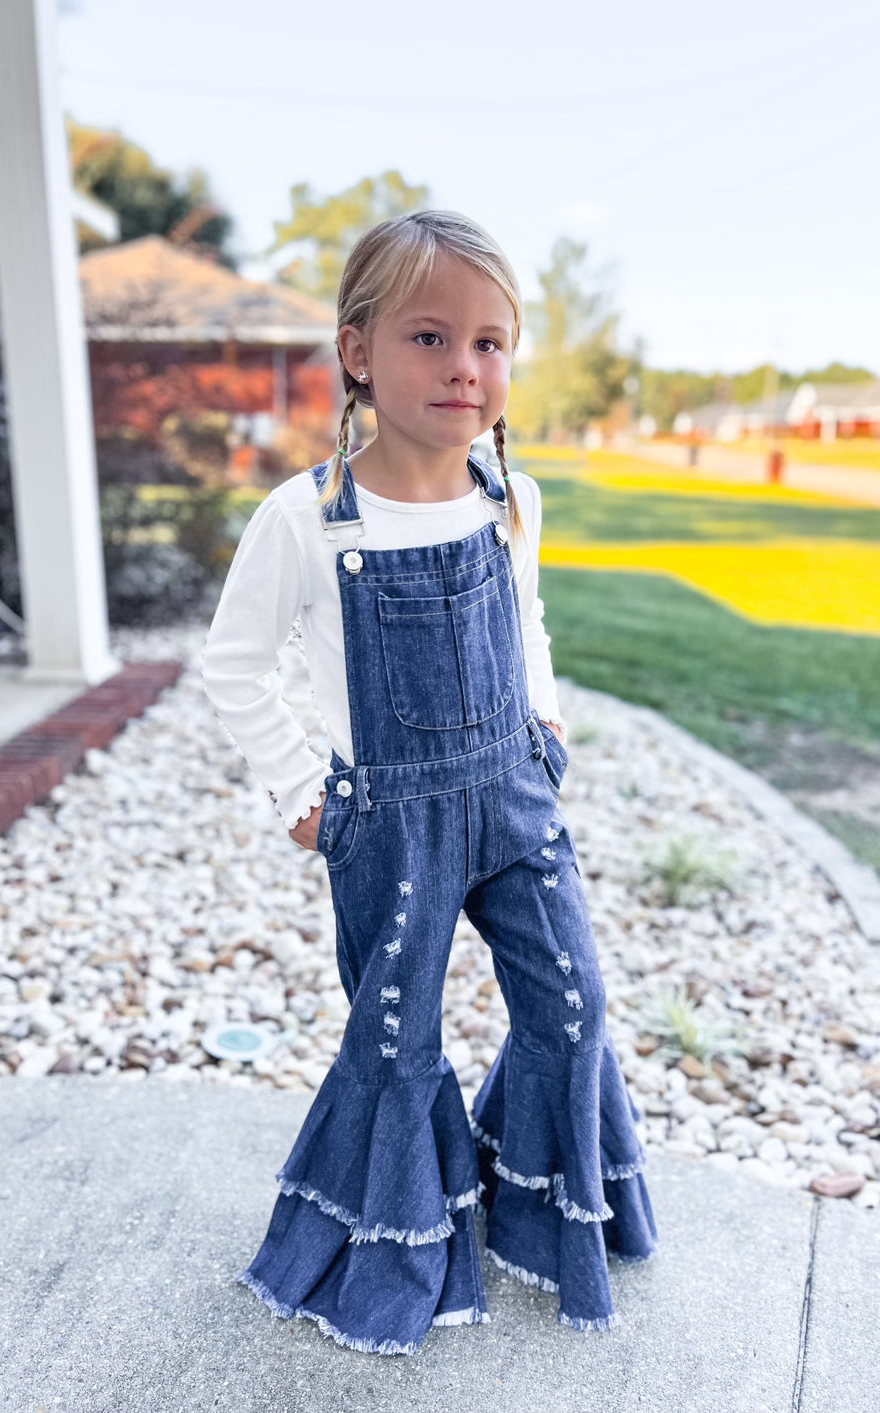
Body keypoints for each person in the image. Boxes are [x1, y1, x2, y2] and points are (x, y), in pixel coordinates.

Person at [200, 210, 658, 1357]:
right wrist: (302, 791)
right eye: (429, 337)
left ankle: (532, 1203)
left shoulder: (514, 499)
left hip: (512, 799)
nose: (466, 366)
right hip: (389, 827)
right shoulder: (305, 520)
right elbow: (235, 666)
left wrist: (545, 723)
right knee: (396, 1040)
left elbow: (528, 621)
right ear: (357, 350)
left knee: (571, 1003)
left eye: (491, 343)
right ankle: (389, 1239)